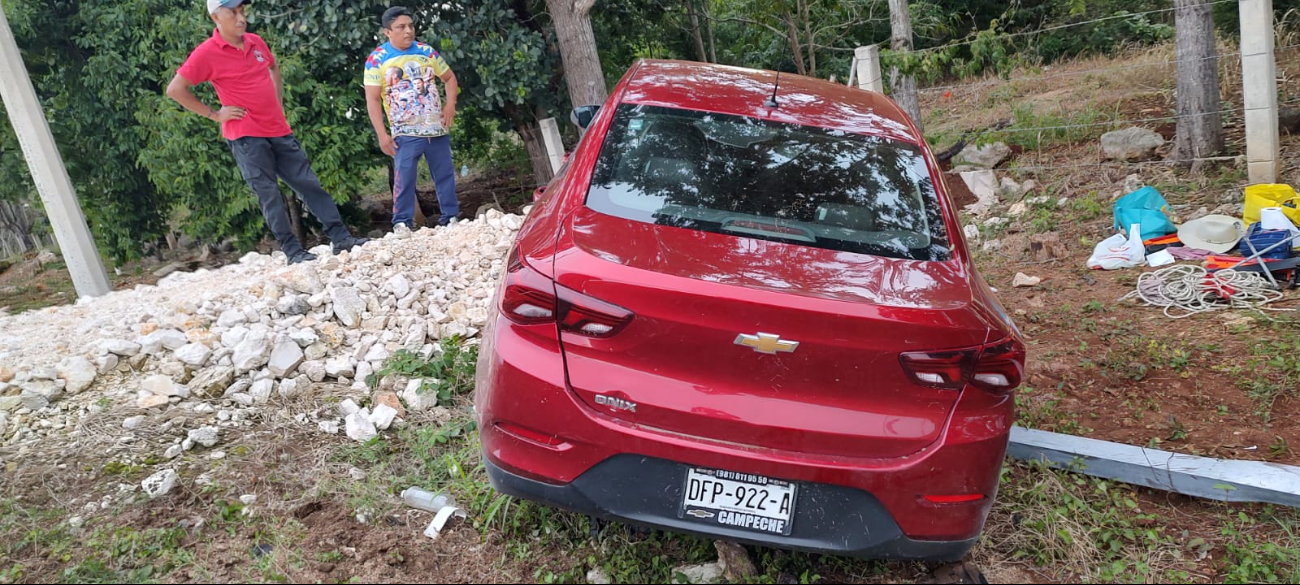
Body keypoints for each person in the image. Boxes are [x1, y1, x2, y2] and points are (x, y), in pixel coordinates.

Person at [166, 0, 368, 264]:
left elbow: (273, 67)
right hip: (246, 136)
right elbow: (175, 89)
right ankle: (293, 251)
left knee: (308, 183)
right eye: (233, 12)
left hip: (277, 128)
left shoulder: (255, 42)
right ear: (216, 16)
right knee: (269, 194)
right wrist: (215, 114)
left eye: (242, 11)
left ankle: (341, 239)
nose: (241, 17)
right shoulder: (207, 53)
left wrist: (277, 103)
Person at [363, 5, 461, 229]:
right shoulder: (377, 59)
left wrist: (450, 105)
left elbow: (449, 78)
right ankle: (402, 223)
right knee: (404, 177)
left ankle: (451, 217)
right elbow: (373, 99)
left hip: (436, 127)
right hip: (405, 130)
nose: (408, 31)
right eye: (401, 27)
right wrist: (382, 134)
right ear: (388, 32)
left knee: (444, 172)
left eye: (410, 26)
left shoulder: (426, 51)